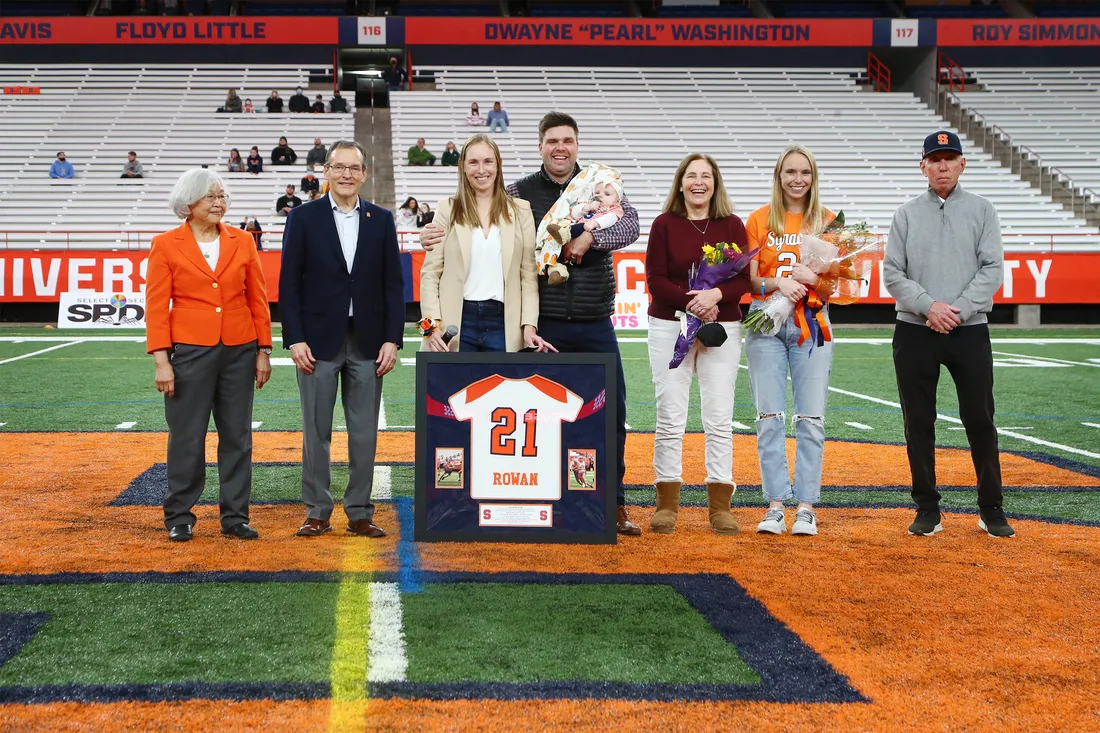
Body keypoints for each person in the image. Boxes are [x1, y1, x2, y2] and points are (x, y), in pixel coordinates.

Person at [420, 111, 642, 535]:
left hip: (595, 318)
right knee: (532, 416)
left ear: (577, 145)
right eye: (552, 141)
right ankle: (541, 497)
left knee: (609, 413)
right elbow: (477, 218)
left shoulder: (598, 185)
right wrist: (432, 233)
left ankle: (613, 503)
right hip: (543, 323)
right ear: (540, 146)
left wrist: (591, 236)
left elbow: (630, 224)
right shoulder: (519, 193)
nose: (561, 148)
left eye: (568, 141)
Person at [884, 131, 1013, 538]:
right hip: (915, 330)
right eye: (935, 159)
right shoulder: (905, 214)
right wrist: (929, 306)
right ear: (922, 165)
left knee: (980, 418)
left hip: (968, 329)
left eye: (949, 159)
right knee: (917, 421)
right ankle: (927, 507)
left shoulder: (982, 210)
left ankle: (991, 507)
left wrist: (956, 310)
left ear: (962, 164)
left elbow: (992, 269)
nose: (942, 166)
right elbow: (892, 273)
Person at [278, 140, 404, 539]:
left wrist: (393, 339)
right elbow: (289, 284)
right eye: (339, 167)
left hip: (368, 341)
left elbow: (392, 285)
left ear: (364, 174)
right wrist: (294, 338)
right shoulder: (303, 218)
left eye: (354, 168)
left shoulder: (381, 220)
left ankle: (360, 511)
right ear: (326, 171)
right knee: (315, 430)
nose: (347, 174)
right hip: (316, 341)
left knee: (364, 431)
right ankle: (317, 510)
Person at [145, 168, 272, 543]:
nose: (219, 203)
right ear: (189, 203)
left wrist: (263, 350)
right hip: (189, 353)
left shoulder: (244, 240)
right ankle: (179, 515)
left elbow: (257, 299)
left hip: (239, 349)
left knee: (237, 436)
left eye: (222, 196)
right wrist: (161, 360)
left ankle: (235, 516)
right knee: (187, 435)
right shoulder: (166, 244)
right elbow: (155, 306)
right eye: (211, 197)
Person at [646, 153, 751, 535]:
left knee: (719, 417)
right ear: (680, 183)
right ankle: (667, 504)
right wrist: (694, 302)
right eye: (691, 176)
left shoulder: (732, 224)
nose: (698, 182)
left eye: (706, 176)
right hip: (669, 326)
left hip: (720, 329)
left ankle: (720, 504)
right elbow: (655, 280)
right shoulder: (664, 224)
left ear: (715, 183)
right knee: (670, 416)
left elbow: (742, 281)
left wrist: (716, 297)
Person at [744, 144, 836, 538]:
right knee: (769, 416)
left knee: (811, 417)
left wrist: (816, 281)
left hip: (812, 326)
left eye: (805, 173)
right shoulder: (760, 219)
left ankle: (807, 507)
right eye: (790, 172)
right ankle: (776, 504)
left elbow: (842, 288)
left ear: (813, 178)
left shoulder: (829, 221)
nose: (797, 179)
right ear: (778, 176)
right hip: (766, 322)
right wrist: (776, 282)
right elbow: (745, 279)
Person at [419, 134, 550, 354]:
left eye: (488, 161)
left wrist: (529, 327)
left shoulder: (521, 210)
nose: (481, 170)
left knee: (501, 388)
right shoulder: (446, 209)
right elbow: (429, 274)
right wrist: (429, 328)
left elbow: (528, 275)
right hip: (455, 324)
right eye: (473, 162)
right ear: (462, 166)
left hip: (504, 324)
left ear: (498, 165)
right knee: (453, 388)